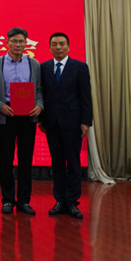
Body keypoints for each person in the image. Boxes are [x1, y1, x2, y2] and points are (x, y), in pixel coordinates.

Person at [0, 26, 43, 215]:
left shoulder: (34, 64)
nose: (18, 44)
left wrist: (39, 106)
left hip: (28, 116)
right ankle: (7, 200)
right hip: (6, 115)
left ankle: (24, 201)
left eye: (21, 41)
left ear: (26, 43)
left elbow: (39, 90)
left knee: (26, 159)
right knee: (6, 159)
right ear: (7, 43)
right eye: (14, 41)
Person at [39, 32, 93, 220]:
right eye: (54, 44)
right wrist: (41, 119)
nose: (58, 47)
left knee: (74, 163)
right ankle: (60, 200)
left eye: (62, 44)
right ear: (50, 47)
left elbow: (86, 96)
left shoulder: (80, 67)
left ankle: (72, 201)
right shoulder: (44, 67)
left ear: (68, 47)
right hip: (51, 123)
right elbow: (42, 94)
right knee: (57, 163)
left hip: (73, 123)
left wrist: (86, 121)